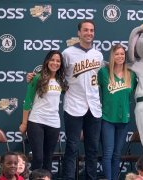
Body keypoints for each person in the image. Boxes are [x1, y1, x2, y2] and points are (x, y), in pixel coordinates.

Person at [27, 19, 104, 179]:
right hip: (74, 105)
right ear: (79, 33)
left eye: (91, 30)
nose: (89, 33)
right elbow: (55, 72)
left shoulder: (98, 55)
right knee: (72, 147)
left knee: (92, 149)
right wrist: (35, 77)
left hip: (94, 107)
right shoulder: (67, 53)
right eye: (85, 30)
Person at [20, 50, 66, 173]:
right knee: (38, 158)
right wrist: (24, 123)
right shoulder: (37, 77)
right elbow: (28, 100)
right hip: (36, 121)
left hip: (54, 123)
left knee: (48, 159)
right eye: (52, 60)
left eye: (58, 61)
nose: (55, 63)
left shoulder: (61, 80)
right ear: (47, 61)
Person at [98, 44, 137, 180]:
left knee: (117, 154)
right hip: (107, 118)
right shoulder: (103, 72)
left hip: (123, 120)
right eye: (117, 54)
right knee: (108, 153)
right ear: (112, 56)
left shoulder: (131, 75)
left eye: (122, 54)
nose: (120, 56)